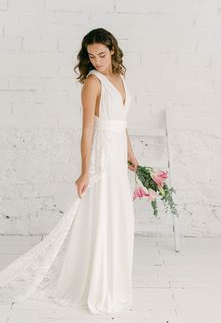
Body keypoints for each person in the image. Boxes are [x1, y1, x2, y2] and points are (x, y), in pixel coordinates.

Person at [0, 28, 139, 315]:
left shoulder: (121, 78)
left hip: (117, 155)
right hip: (101, 154)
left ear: (112, 50)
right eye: (91, 56)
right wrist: (85, 170)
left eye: (102, 54)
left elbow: (121, 123)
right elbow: (87, 129)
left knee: (119, 215)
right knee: (101, 214)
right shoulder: (92, 82)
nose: (97, 61)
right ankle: (96, 284)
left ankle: (113, 280)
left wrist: (130, 153)